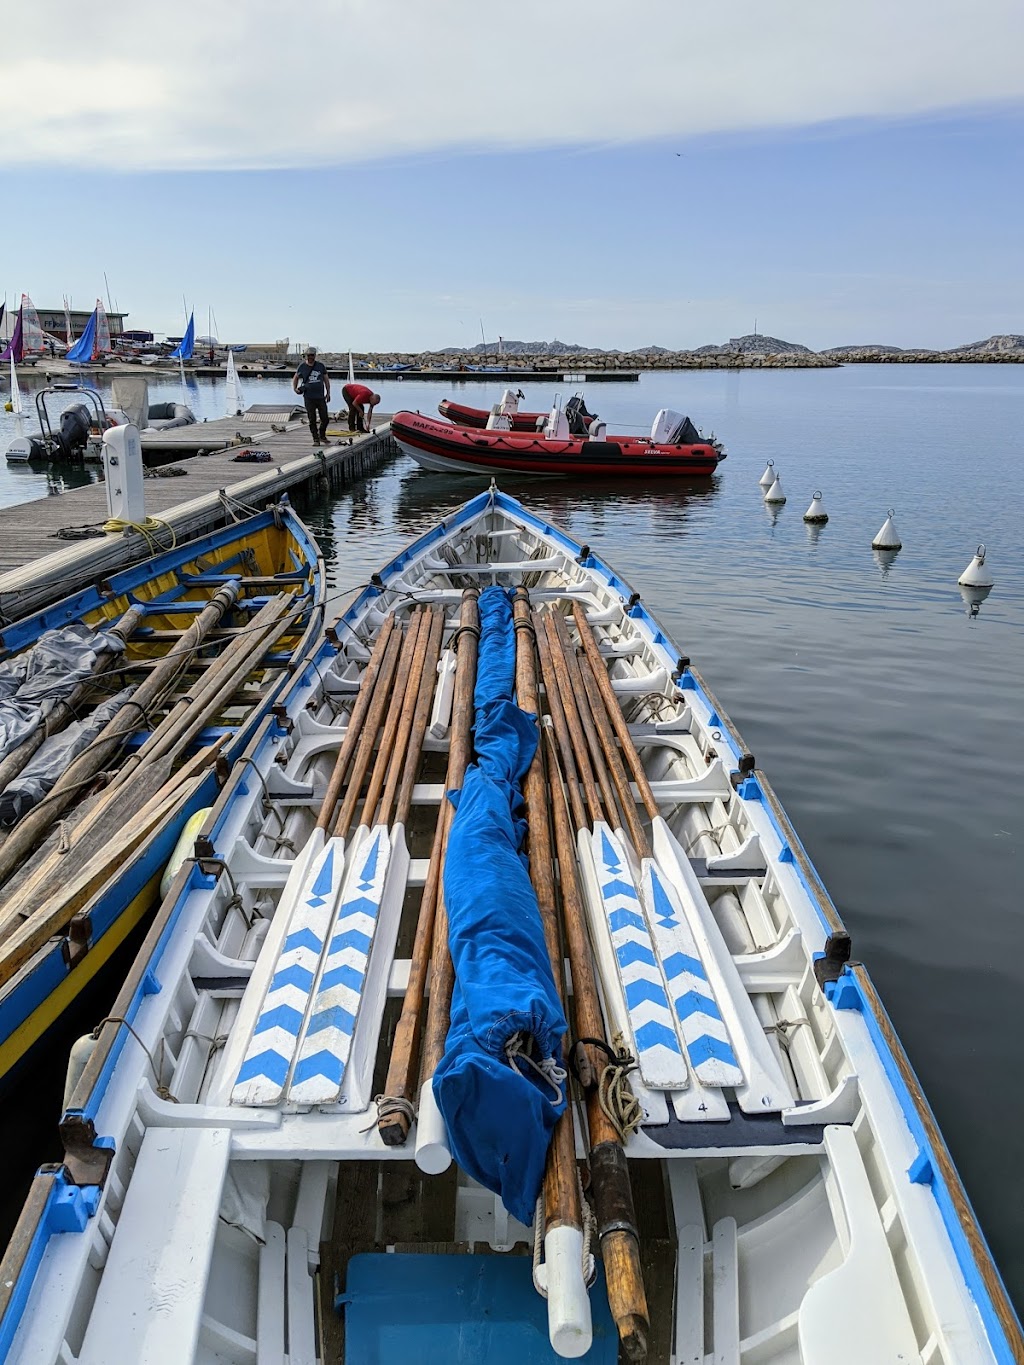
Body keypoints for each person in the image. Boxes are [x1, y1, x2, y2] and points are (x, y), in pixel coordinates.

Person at [293, 347, 331, 445]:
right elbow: (296, 377)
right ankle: (315, 439)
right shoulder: (302, 366)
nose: (310, 357)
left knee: (325, 418)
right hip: (309, 397)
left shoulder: (320, 366)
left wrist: (328, 393)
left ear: (315, 356)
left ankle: (322, 435)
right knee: (312, 419)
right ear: (306, 356)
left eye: (312, 355)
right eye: (309, 355)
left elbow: (326, 379)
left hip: (320, 397)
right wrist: (295, 388)